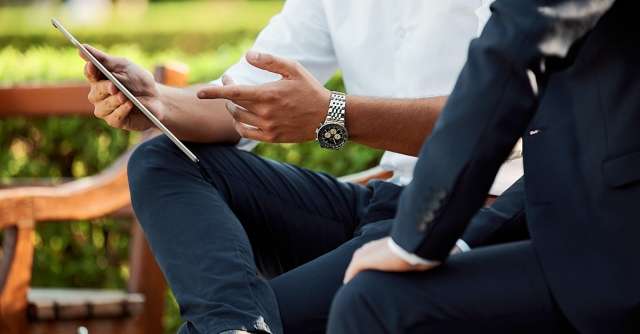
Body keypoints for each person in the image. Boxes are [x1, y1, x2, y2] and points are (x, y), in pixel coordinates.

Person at [81, 0, 522, 333]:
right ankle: (238, 327)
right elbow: (244, 95)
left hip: (475, 212)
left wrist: (333, 114)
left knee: (275, 318)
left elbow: (497, 118)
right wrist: (157, 100)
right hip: (384, 201)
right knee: (160, 158)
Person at [329, 0, 640, 332]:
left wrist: (415, 238)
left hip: (610, 248)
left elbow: (510, 57)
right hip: (406, 200)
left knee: (371, 302)